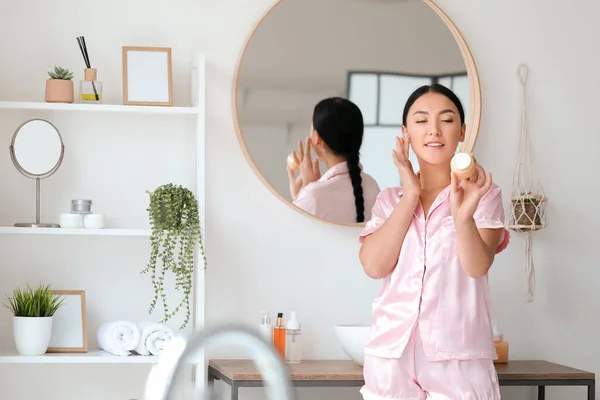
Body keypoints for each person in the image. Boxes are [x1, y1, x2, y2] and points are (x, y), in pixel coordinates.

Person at [358, 84, 510, 400]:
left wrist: (463, 215)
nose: (434, 131)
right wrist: (410, 194)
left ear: (462, 130)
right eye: (422, 120)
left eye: (447, 119)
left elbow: (477, 266)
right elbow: (374, 266)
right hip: (390, 356)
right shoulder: (390, 200)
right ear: (406, 132)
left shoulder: (484, 195)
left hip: (459, 357)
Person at [287, 97, 380, 224]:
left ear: (317, 138)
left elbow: (284, 236)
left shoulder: (313, 195)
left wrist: (302, 194)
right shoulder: (373, 186)